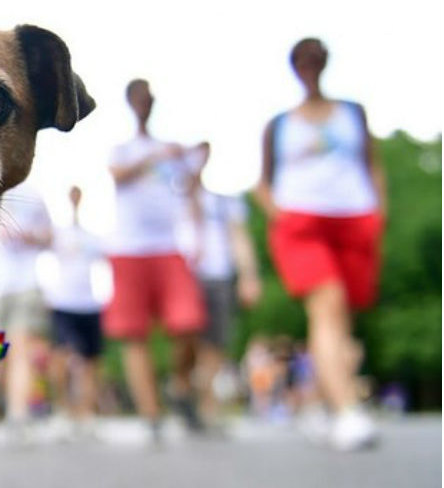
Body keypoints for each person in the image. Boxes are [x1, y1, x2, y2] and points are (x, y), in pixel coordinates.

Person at [253, 37, 385, 451]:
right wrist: (279, 214)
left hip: (354, 219)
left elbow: (372, 165)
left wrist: (379, 211)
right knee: (327, 300)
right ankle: (348, 411)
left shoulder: (352, 113)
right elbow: (263, 183)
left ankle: (327, 403)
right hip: (302, 222)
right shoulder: (280, 124)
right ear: (294, 67)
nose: (309, 65)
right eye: (302, 59)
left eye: (316, 58)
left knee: (339, 316)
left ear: (325, 63)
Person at [106, 79, 209, 441]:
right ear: (129, 103)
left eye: (148, 99)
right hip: (129, 249)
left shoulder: (172, 150)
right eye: (138, 98)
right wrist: (157, 156)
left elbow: (193, 188)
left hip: (169, 247)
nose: (143, 104)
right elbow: (117, 176)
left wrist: (199, 234)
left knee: (189, 324)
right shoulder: (123, 149)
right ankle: (151, 415)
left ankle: (179, 387)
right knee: (135, 335)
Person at [178, 186, 262, 427]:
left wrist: (248, 275)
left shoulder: (225, 198)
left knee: (216, 342)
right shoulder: (173, 190)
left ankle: (207, 406)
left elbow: (239, 236)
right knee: (186, 339)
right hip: (183, 274)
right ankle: (182, 385)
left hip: (219, 275)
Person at [0, 181, 53, 442]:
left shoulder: (34, 193)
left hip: (26, 283)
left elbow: (50, 236)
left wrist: (32, 237)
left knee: (21, 350)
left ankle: (18, 415)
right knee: (0, 358)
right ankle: (8, 401)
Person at [38, 186, 107, 438]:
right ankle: (62, 411)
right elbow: (37, 244)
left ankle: (86, 414)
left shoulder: (93, 237)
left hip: (89, 303)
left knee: (90, 362)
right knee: (61, 358)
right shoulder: (57, 233)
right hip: (63, 302)